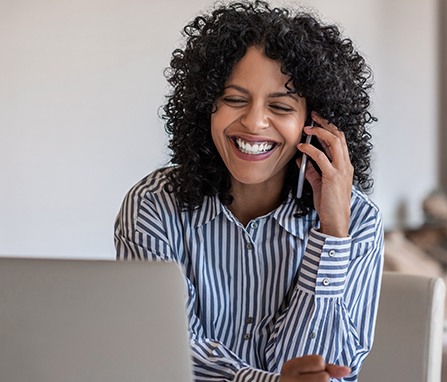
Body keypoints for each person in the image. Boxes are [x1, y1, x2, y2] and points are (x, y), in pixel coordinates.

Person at [115, 1, 384, 381]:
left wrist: (333, 234)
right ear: (205, 105)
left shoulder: (358, 220)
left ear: (316, 123)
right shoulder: (154, 206)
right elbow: (164, 353)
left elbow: (327, 371)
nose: (255, 122)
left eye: (280, 106)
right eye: (234, 99)